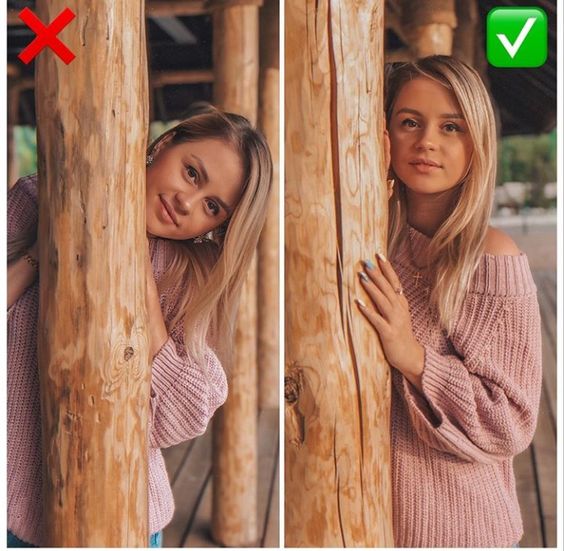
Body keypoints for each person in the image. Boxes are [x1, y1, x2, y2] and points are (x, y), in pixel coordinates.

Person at [7, 106, 273, 547]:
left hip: (122, 519)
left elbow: (181, 417)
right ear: (164, 144)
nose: (186, 203)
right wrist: (39, 250)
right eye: (191, 173)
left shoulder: (187, 277)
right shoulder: (38, 199)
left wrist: (139, 268)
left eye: (211, 206)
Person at [355, 56, 541, 547]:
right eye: (410, 121)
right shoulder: (370, 240)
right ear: (385, 133)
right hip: (369, 521)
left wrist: (413, 357)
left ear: (476, 143)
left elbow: (512, 424)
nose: (427, 141)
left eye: (451, 126)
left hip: (461, 528)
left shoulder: (492, 259)